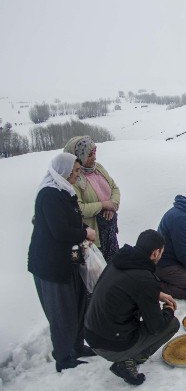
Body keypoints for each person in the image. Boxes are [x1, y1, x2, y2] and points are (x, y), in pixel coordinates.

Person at [28, 153, 97, 372]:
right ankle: (63, 356)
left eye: (78, 171)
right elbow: (59, 231)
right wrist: (84, 232)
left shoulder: (64, 192)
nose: (77, 175)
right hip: (51, 265)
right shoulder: (49, 195)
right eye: (74, 171)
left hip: (70, 260)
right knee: (61, 311)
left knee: (78, 305)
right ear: (62, 171)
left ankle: (76, 346)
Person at [84, 230, 179, 386]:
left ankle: (126, 357)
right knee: (172, 324)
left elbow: (128, 286)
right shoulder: (144, 278)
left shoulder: (120, 259)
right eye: (162, 252)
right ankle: (129, 363)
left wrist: (156, 293)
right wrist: (168, 310)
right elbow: (156, 326)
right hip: (110, 344)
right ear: (155, 253)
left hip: (91, 332)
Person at [64, 136, 121, 261]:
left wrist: (112, 206)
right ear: (78, 157)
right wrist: (104, 205)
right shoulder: (74, 178)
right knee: (97, 272)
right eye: (89, 155)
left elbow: (115, 188)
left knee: (114, 268)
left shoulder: (98, 168)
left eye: (94, 152)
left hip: (109, 233)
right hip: (93, 236)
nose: (94, 157)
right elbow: (79, 208)